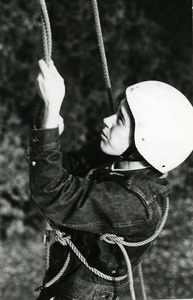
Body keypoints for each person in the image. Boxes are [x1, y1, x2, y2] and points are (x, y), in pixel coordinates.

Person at [28, 59, 193, 300]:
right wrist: (47, 124)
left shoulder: (136, 204)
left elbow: (52, 190)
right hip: (68, 283)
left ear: (146, 142)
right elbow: (67, 167)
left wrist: (53, 108)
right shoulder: (124, 160)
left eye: (121, 120)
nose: (107, 120)